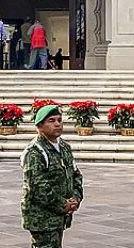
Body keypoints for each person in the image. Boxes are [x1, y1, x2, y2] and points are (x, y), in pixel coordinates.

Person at [22, 105, 83, 248]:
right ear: (40, 126)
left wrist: (75, 198)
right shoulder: (35, 151)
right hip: (42, 218)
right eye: (51, 120)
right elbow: (38, 186)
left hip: (59, 216)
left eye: (59, 120)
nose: (57, 124)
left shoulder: (64, 148)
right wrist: (63, 205)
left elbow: (76, 175)